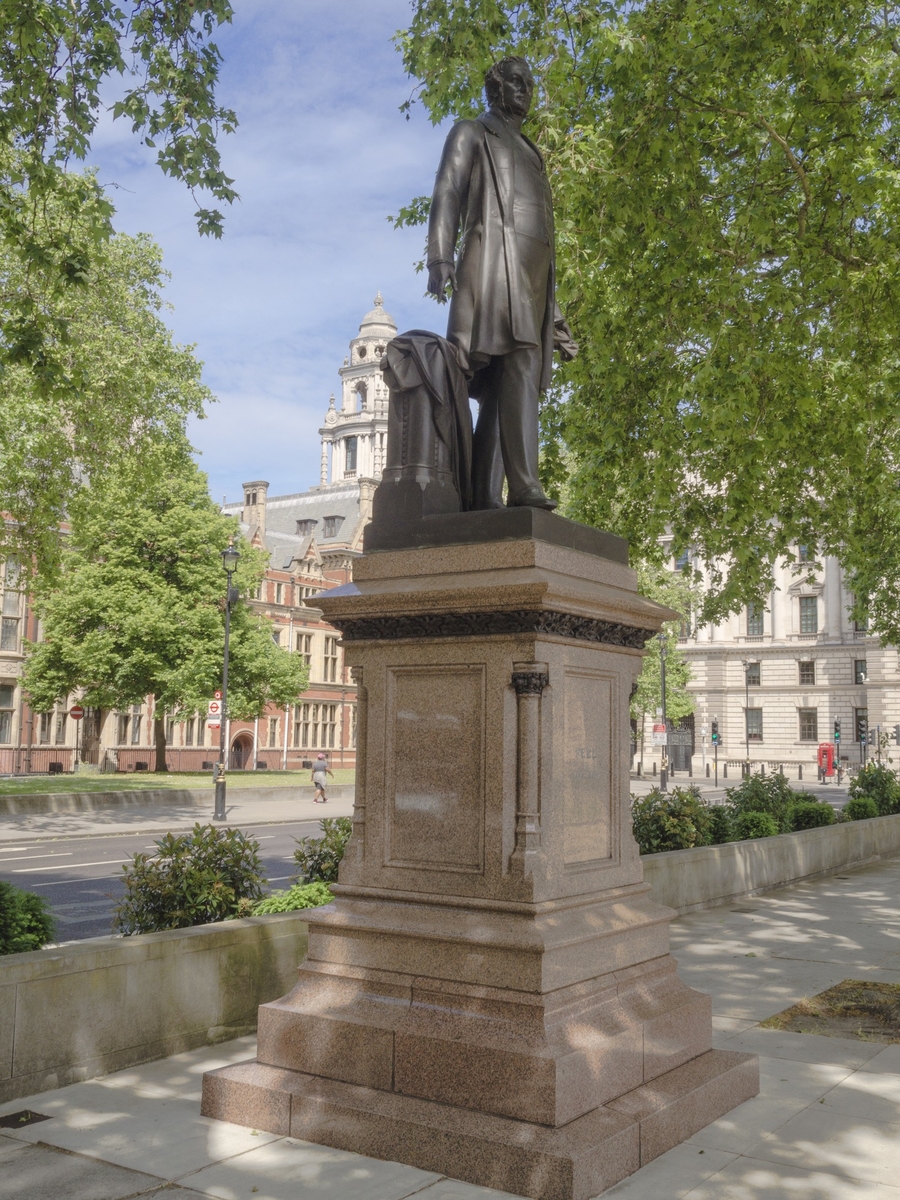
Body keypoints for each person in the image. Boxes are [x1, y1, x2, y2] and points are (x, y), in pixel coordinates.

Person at [427, 55, 578, 511]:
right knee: (514, 367)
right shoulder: (472, 131)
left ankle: (484, 496)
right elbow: (447, 190)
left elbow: (545, 237)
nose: (526, 89)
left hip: (531, 279)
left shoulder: (531, 151)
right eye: (516, 82)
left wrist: (553, 312)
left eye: (529, 83)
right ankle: (525, 487)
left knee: (507, 381)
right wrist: (439, 256)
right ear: (494, 89)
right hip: (492, 263)